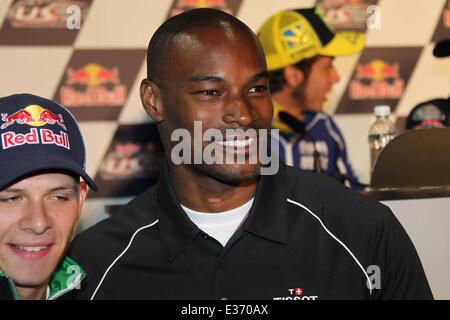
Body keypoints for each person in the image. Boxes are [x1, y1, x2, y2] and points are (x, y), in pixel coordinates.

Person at [67, 8, 432, 299]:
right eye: (211, 92)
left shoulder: (363, 232)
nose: (243, 113)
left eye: (257, 88)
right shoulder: (96, 264)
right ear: (154, 100)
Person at [0, 93, 96, 300]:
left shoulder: (105, 288)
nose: (38, 223)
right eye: (11, 198)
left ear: (80, 199)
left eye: (59, 197)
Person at [257, 8, 365, 189]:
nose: (336, 78)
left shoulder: (325, 126)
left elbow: (354, 200)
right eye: (327, 67)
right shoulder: (244, 135)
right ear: (293, 75)